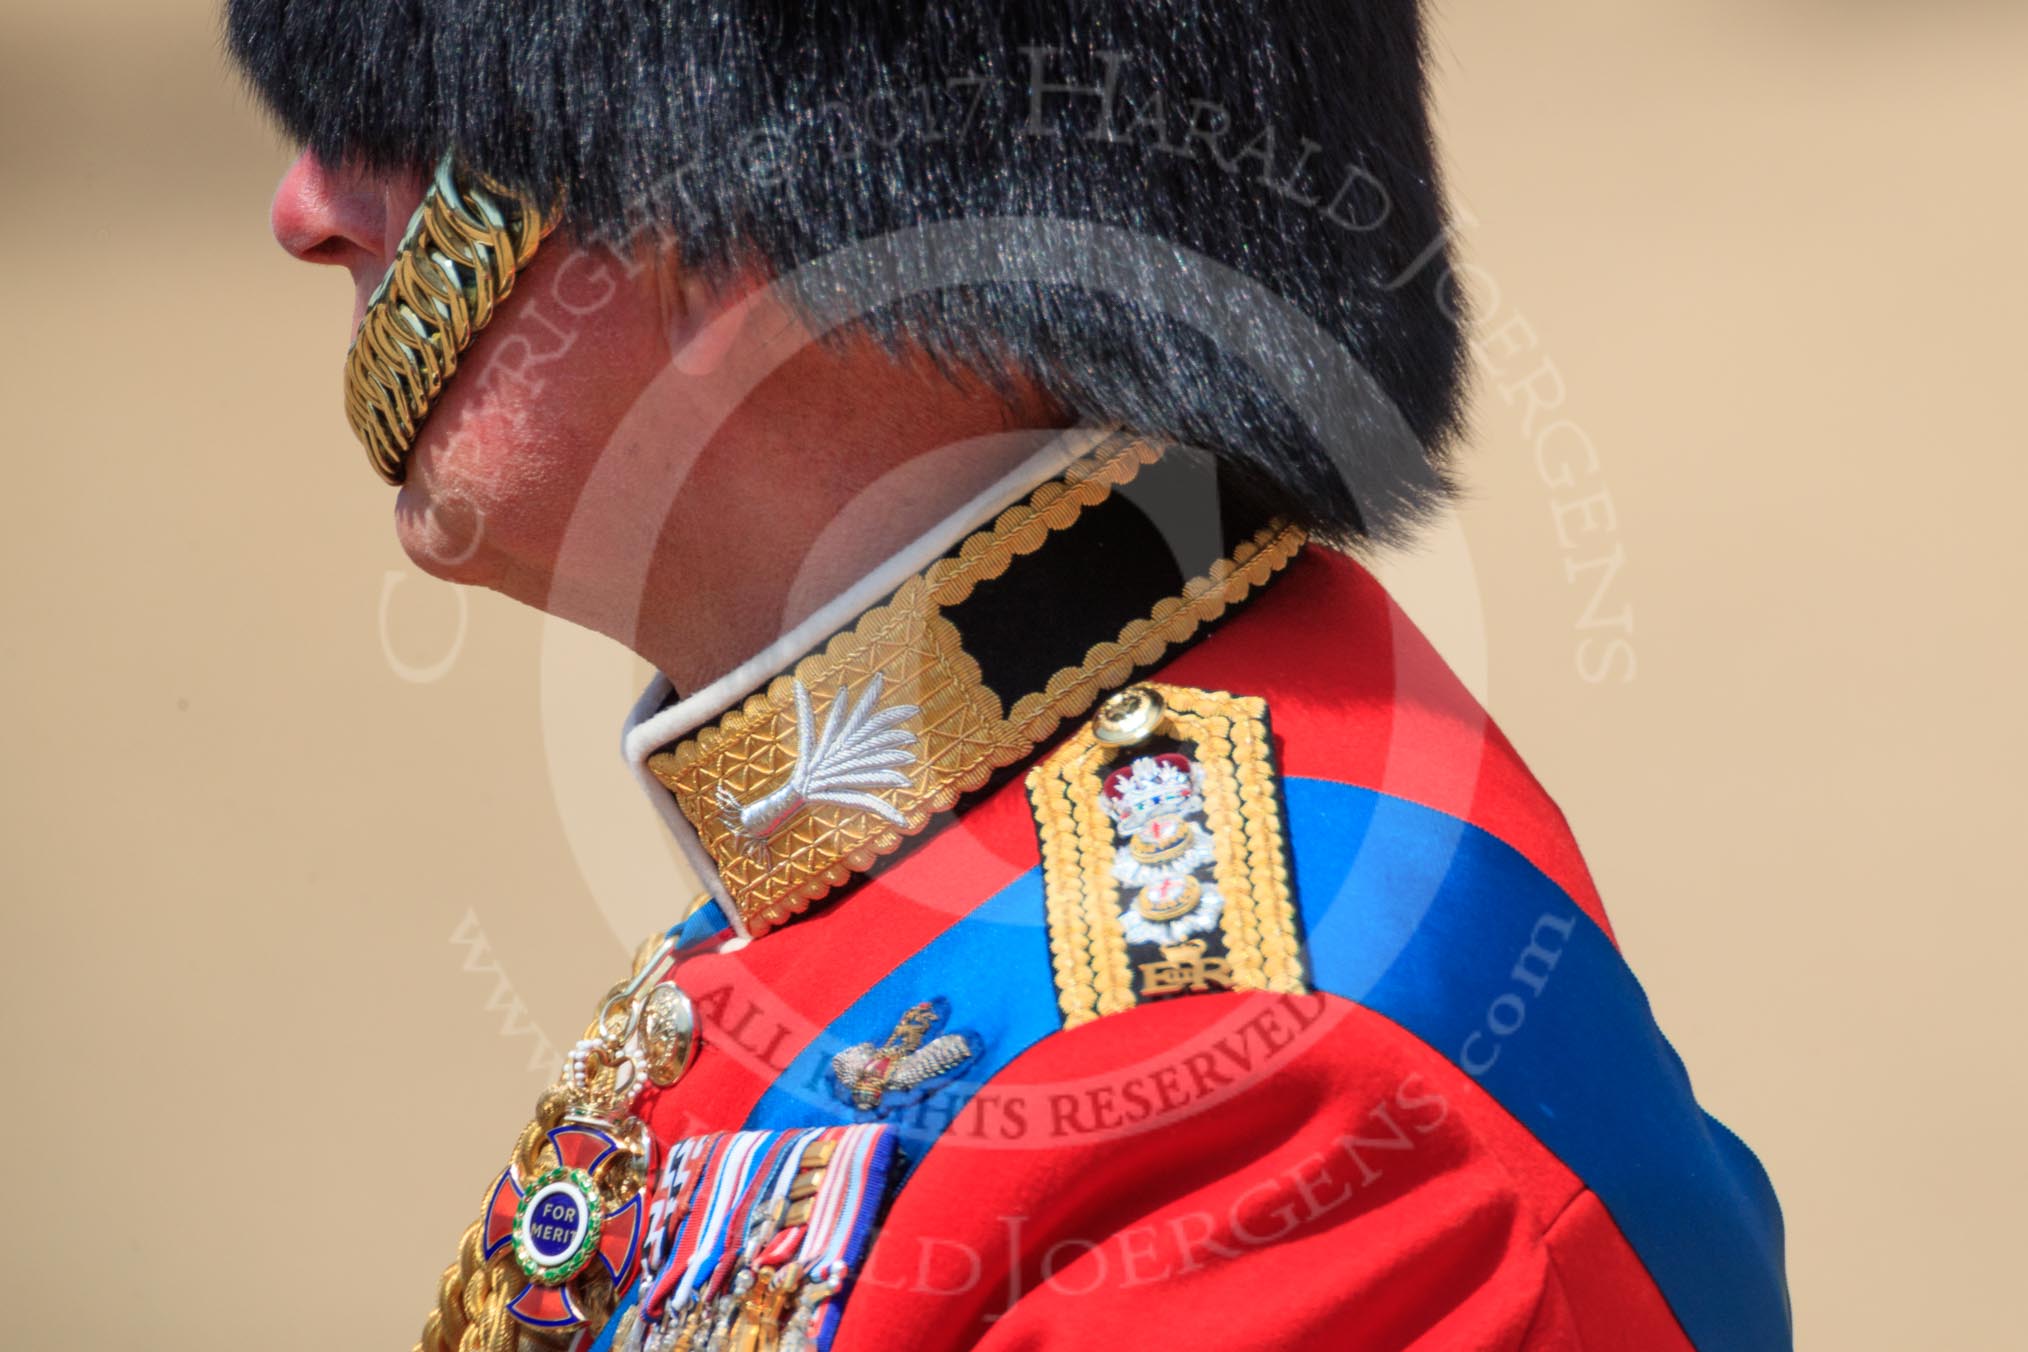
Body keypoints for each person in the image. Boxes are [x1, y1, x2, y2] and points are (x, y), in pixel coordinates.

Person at [231, 2, 1789, 1348]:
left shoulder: (1257, 1112)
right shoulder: (910, 854)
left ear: (707, 179)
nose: (312, 210)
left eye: (406, 129)